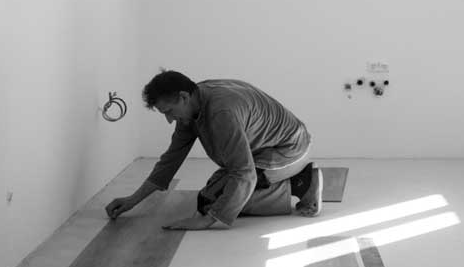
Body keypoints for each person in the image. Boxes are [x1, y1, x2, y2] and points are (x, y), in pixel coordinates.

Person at [105, 70, 322, 230]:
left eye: (169, 111)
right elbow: (170, 160)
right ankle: (292, 182)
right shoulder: (194, 102)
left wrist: (207, 220)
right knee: (212, 195)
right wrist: (132, 200)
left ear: (183, 97)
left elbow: (243, 172)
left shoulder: (221, 113)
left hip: (289, 150)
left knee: (211, 203)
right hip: (265, 151)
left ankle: (301, 184)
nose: (170, 120)